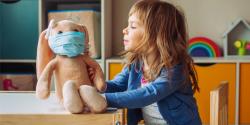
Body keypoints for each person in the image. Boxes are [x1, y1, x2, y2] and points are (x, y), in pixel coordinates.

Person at [87, 0, 202, 125]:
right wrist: (99, 85)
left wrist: (103, 99)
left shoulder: (175, 68)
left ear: (156, 35)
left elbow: (147, 94)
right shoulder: (136, 64)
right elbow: (118, 85)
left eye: (133, 26)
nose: (124, 30)